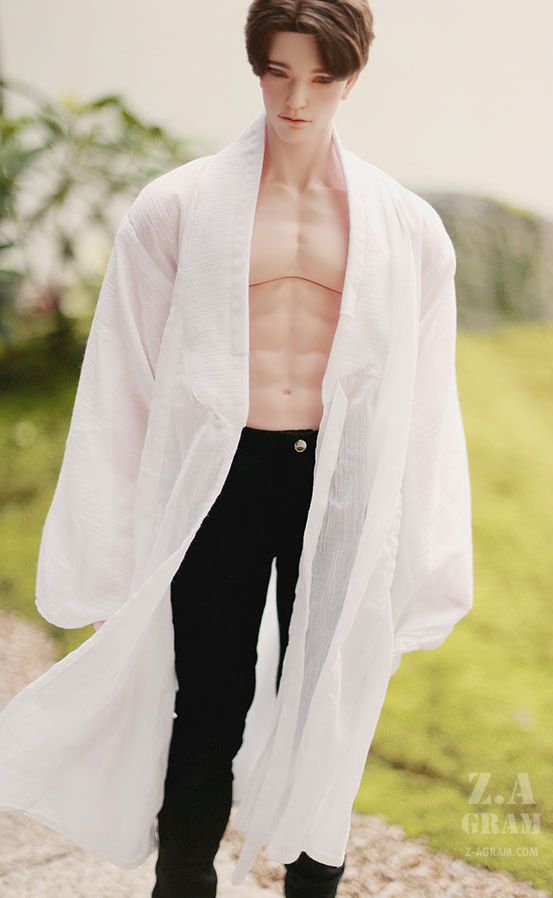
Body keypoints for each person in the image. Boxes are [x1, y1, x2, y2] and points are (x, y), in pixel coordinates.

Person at [96, 2, 371, 896]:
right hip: (224, 474)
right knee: (209, 699)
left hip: (333, 478)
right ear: (256, 68)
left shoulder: (394, 224)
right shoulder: (176, 207)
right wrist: (116, 536)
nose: (297, 99)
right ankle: (183, 882)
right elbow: (127, 374)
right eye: (277, 73)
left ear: (352, 78)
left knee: (326, 699)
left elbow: (413, 397)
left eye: (321, 78)